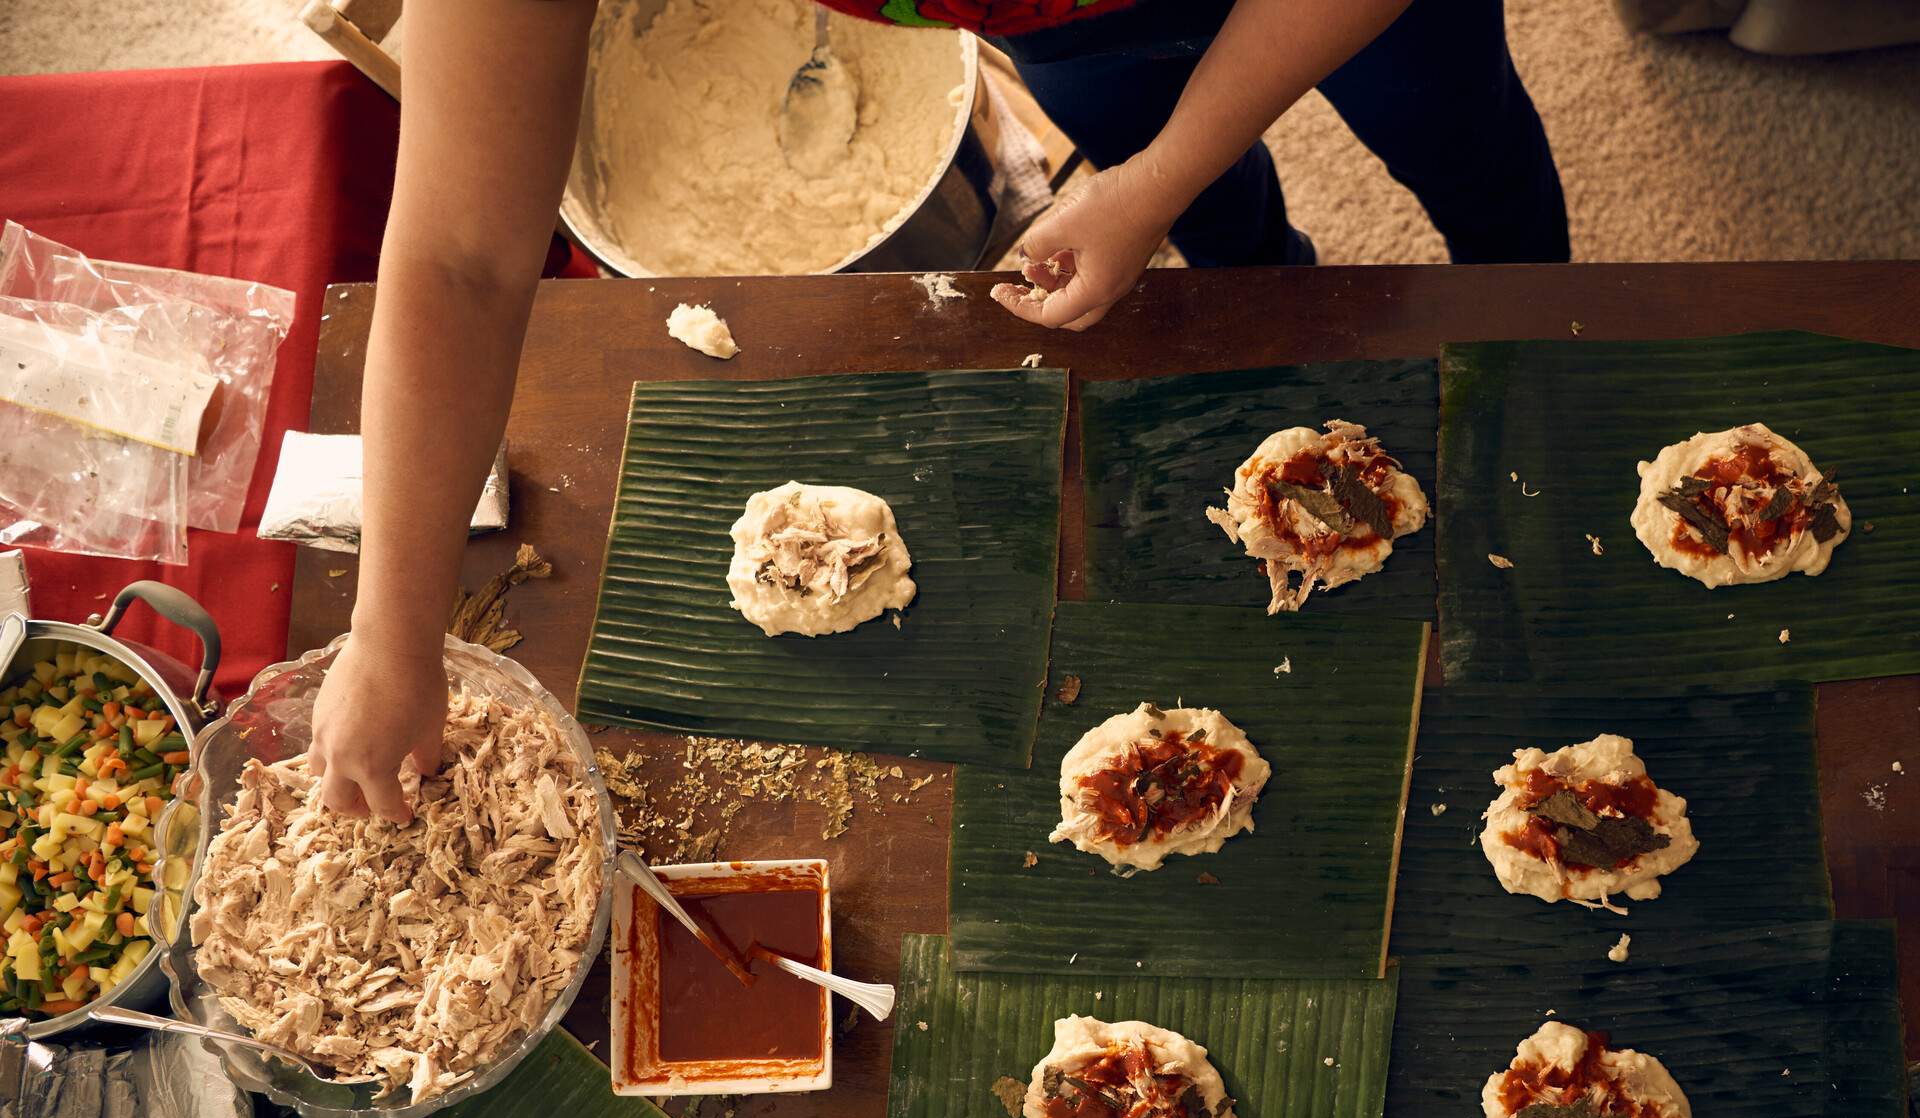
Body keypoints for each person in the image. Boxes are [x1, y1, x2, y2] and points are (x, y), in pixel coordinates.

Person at [311, 0, 1566, 819]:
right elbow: (463, 259)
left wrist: (1157, 173)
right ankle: (1263, 267)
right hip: (1076, 21)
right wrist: (391, 629)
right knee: (1220, 230)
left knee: (1463, 146)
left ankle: (1528, 304)